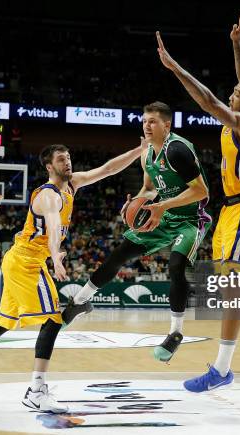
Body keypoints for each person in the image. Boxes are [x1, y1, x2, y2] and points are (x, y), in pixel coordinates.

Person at [0, 141, 146, 413]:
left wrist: (139, 150)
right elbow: (53, 226)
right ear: (50, 166)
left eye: (69, 157)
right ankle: (37, 391)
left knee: (3, 321)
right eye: (62, 159)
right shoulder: (48, 195)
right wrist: (55, 255)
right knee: (52, 320)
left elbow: (108, 169)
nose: (68, 162)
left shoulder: (73, 184)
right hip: (28, 263)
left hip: (20, 260)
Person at [155, 10, 240, 392]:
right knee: (231, 287)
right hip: (233, 210)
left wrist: (176, 69)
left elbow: (212, 103)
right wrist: (237, 44)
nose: (232, 93)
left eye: (237, 95)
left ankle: (239, 359)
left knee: (233, 285)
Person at [61, 101, 211, 364]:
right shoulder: (147, 154)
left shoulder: (177, 150)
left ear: (167, 125)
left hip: (189, 219)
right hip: (161, 214)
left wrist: (161, 205)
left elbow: (201, 191)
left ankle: (175, 333)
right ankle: (81, 301)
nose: (146, 125)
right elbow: (149, 189)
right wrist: (135, 203)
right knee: (120, 253)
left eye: (152, 121)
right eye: (144, 121)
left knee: (176, 265)